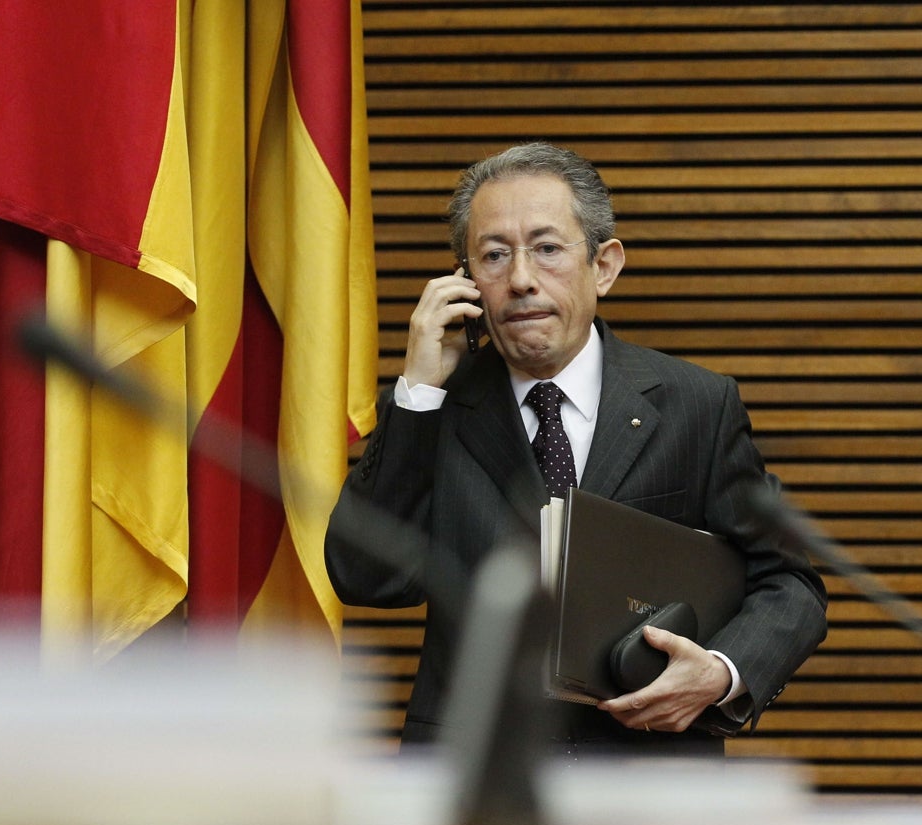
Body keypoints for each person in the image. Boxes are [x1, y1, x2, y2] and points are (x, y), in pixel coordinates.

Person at [325, 142, 827, 756]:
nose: (520, 280)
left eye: (547, 248)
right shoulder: (434, 409)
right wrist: (418, 391)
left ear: (604, 266)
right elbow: (366, 577)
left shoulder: (696, 404)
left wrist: (722, 672)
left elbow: (789, 582)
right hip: (471, 777)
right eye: (493, 255)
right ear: (465, 281)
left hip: (647, 774)